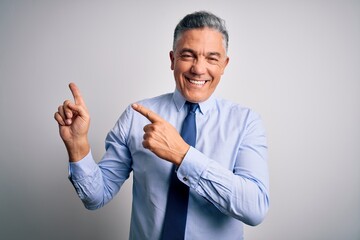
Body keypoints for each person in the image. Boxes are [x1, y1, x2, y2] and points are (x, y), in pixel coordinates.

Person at [54, 11, 269, 240]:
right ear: (172, 59)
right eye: (188, 55)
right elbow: (95, 197)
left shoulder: (246, 123)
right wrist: (77, 145)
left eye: (212, 58)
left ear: (224, 65)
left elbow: (254, 209)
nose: (198, 68)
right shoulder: (137, 116)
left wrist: (183, 155)